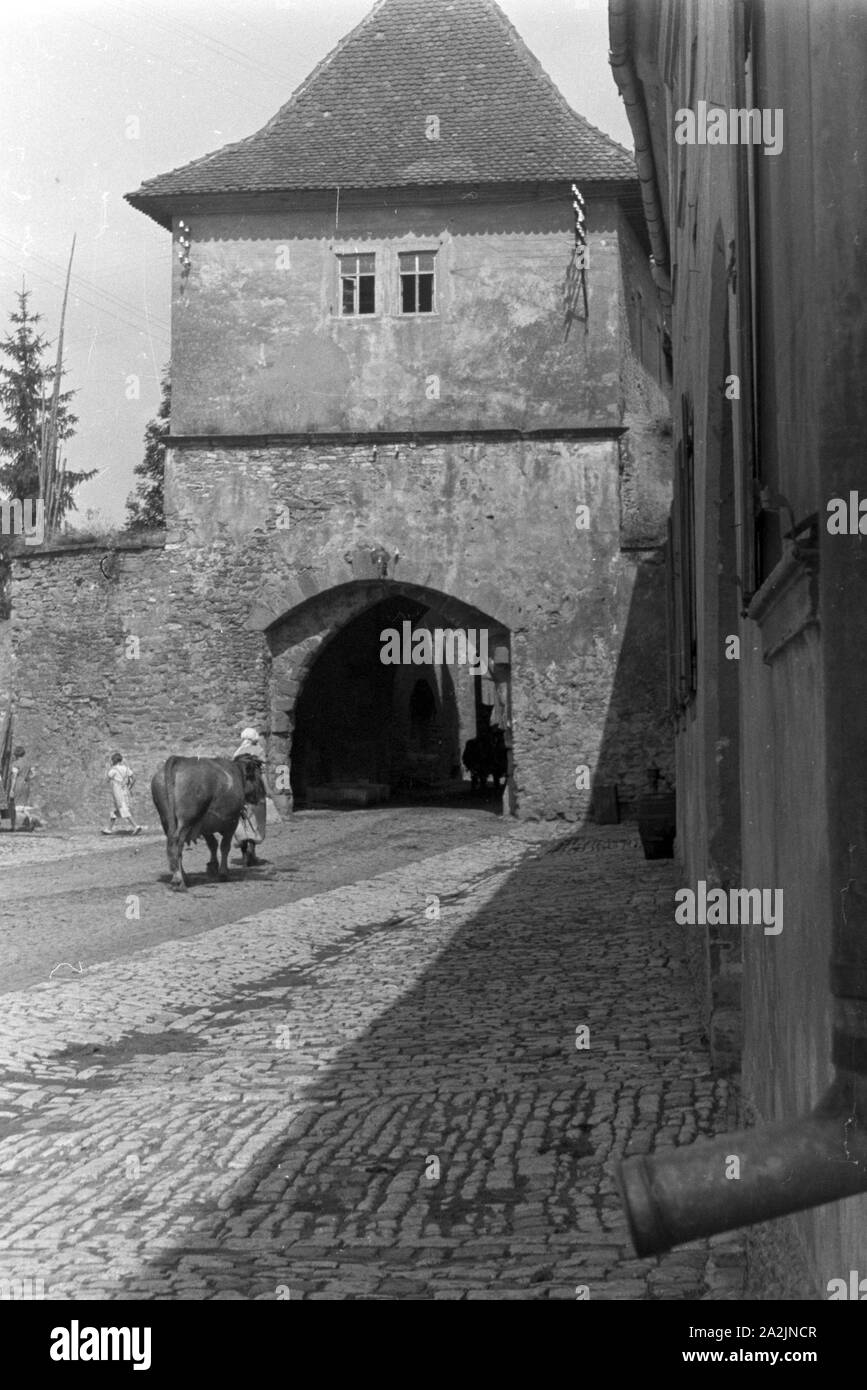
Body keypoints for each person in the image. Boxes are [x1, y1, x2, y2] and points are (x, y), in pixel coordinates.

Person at [232, 726, 269, 865]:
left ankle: (244, 853)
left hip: (241, 790)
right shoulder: (258, 751)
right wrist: (268, 789)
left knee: (242, 820)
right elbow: (263, 772)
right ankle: (251, 852)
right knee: (256, 820)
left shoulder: (237, 753)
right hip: (255, 790)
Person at [102, 752, 142, 835]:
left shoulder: (113, 770)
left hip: (117, 792)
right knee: (115, 810)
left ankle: (136, 826)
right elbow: (134, 778)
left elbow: (106, 780)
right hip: (125, 791)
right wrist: (130, 787)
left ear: (113, 761)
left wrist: (107, 769)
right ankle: (108, 829)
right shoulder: (126, 768)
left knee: (123, 809)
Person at [6, 746, 33, 832]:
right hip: (26, 785)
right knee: (23, 805)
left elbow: (14, 777)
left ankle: (15, 826)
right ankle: (30, 819)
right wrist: (27, 778)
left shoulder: (16, 764)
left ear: (16, 754)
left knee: (16, 806)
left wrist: (11, 789)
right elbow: (34, 774)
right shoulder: (28, 763)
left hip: (18, 784)